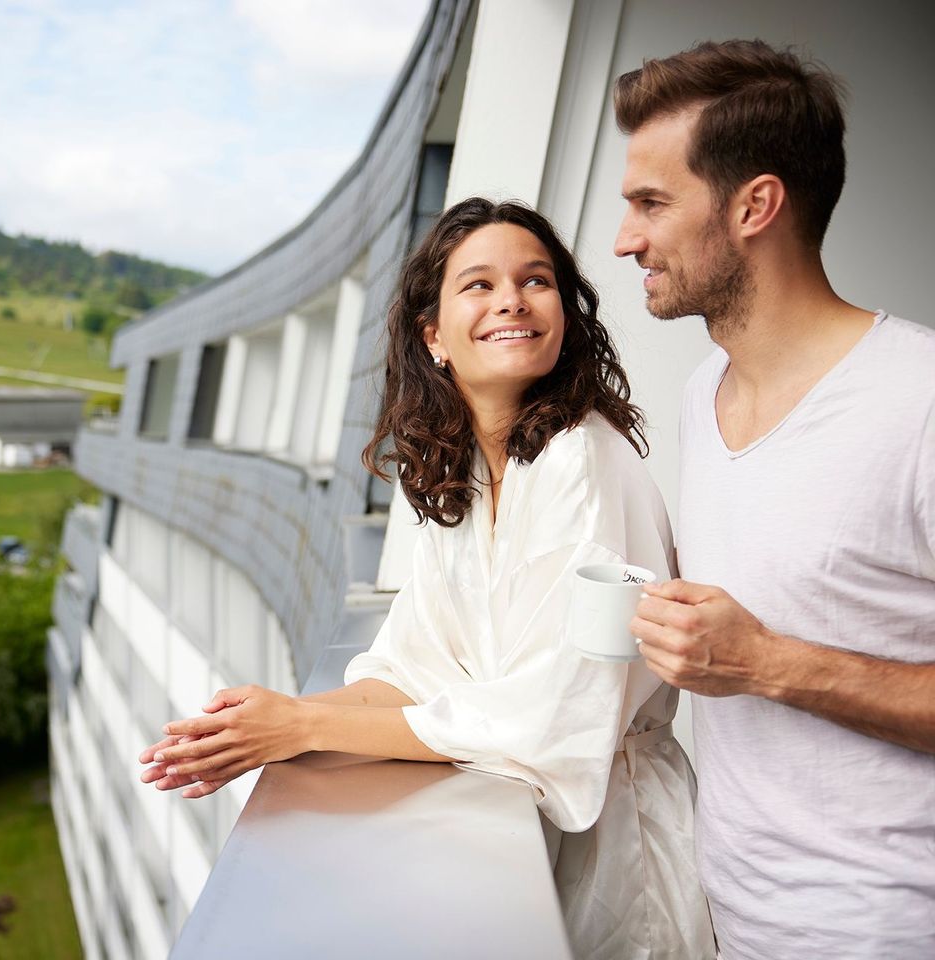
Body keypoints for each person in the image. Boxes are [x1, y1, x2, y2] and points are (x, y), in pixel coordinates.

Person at [139, 198, 715, 958]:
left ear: (563, 316)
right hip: (535, 856)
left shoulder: (579, 459)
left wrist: (308, 727)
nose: (511, 297)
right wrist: (264, 726)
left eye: (535, 280)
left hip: (620, 863)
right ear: (434, 336)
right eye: (479, 284)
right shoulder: (475, 473)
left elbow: (553, 716)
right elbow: (416, 668)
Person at [613, 39, 935, 959]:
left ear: (755, 204)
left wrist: (764, 661)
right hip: (730, 914)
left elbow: (760, 652)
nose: (625, 238)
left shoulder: (920, 401)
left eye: (651, 203)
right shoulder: (700, 394)